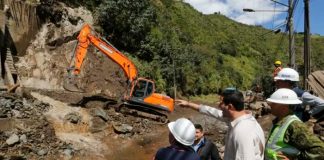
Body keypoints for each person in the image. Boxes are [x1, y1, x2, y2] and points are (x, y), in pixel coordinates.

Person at [176, 89, 265, 160]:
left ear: (230, 107)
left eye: (221, 103)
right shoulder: (241, 119)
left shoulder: (242, 131)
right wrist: (188, 104)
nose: (218, 106)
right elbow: (211, 111)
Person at [265, 88, 324, 160]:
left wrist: (295, 158)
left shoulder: (295, 125)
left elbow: (320, 150)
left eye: (274, 103)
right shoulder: (278, 122)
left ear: (284, 107)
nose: (270, 105)